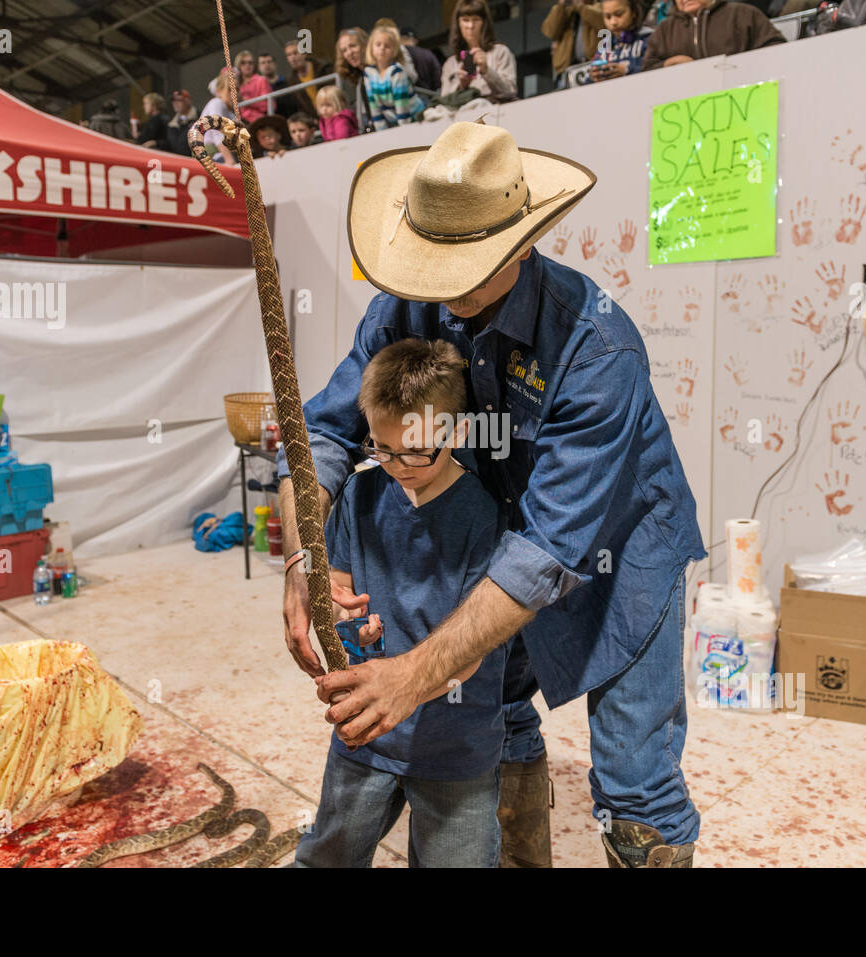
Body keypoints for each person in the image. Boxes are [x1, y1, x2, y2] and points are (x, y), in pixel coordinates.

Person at [278, 122, 706, 869]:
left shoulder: (596, 349)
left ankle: (647, 839)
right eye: (428, 261)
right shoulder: (404, 307)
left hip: (618, 550)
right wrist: (301, 557)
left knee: (634, 780)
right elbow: (327, 432)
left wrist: (415, 672)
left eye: (461, 266)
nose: (436, 287)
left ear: (517, 244)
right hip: (497, 535)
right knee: (497, 713)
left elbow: (547, 551)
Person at [293, 339, 505, 868]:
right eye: (382, 449)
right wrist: (346, 622)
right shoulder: (360, 497)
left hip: (456, 743)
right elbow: (338, 593)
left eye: (415, 451)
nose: (399, 466)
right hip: (365, 730)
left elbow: (472, 648)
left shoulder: (483, 518)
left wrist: (408, 683)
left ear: (456, 433)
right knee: (327, 856)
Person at [426, 0, 518, 123]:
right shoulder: (450, 63)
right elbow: (444, 100)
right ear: (458, 23)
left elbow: (510, 91)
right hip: (459, 116)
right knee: (432, 113)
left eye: (476, 19)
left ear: (484, 22)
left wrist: (486, 71)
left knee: (480, 104)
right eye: (465, 20)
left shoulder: (500, 52)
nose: (470, 26)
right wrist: (461, 85)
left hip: (492, 114)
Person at [641, 0, 785, 70]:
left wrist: (741, 66)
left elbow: (777, 49)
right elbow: (646, 70)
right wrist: (667, 64)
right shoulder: (664, 30)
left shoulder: (743, 14)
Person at [363, 25, 426, 128]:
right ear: (371, 48)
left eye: (387, 46)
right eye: (378, 44)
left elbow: (402, 106)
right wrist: (381, 132)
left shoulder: (397, 72)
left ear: (394, 50)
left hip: (415, 117)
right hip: (394, 120)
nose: (382, 48)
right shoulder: (368, 73)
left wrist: (404, 131)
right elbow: (374, 106)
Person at [580, 0, 651, 83]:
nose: (613, 22)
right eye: (608, 17)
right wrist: (593, 78)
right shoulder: (605, 46)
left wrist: (627, 70)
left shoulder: (649, 38)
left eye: (619, 14)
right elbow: (588, 81)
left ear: (633, 12)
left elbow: (657, 69)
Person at [543, 0, 605, 87]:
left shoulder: (600, 7)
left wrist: (581, 7)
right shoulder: (565, 11)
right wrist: (561, 4)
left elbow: (605, 25)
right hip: (567, 71)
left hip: (594, 67)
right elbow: (550, 32)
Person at [334, 27, 371, 133]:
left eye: (353, 46)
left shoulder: (378, 70)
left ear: (364, 45)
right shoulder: (359, 79)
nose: (349, 53)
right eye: (344, 50)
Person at [284, 39, 332, 115]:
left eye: (295, 53)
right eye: (289, 55)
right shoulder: (292, 82)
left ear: (304, 53)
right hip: (316, 120)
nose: (292, 58)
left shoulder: (324, 68)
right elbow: (300, 107)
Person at [200, 70, 239, 165]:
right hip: (212, 154)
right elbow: (216, 130)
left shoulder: (231, 113)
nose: (234, 94)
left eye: (237, 89)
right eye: (230, 89)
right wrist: (228, 159)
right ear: (218, 91)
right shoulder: (217, 102)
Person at [235, 50, 275, 125]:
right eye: (243, 63)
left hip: (260, 121)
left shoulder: (261, 80)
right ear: (238, 66)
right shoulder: (236, 84)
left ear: (254, 65)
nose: (247, 65)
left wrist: (246, 101)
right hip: (241, 123)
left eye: (250, 63)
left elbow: (269, 105)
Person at [399, 26, 443, 92]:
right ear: (416, 40)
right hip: (428, 96)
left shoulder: (398, 54)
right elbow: (438, 78)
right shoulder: (428, 54)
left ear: (399, 39)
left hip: (406, 96)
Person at [164, 89, 198, 155]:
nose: (175, 103)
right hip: (177, 161)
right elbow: (170, 144)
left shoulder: (199, 118)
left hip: (193, 161)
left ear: (188, 101)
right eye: (173, 101)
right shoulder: (172, 123)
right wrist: (157, 143)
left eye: (179, 100)